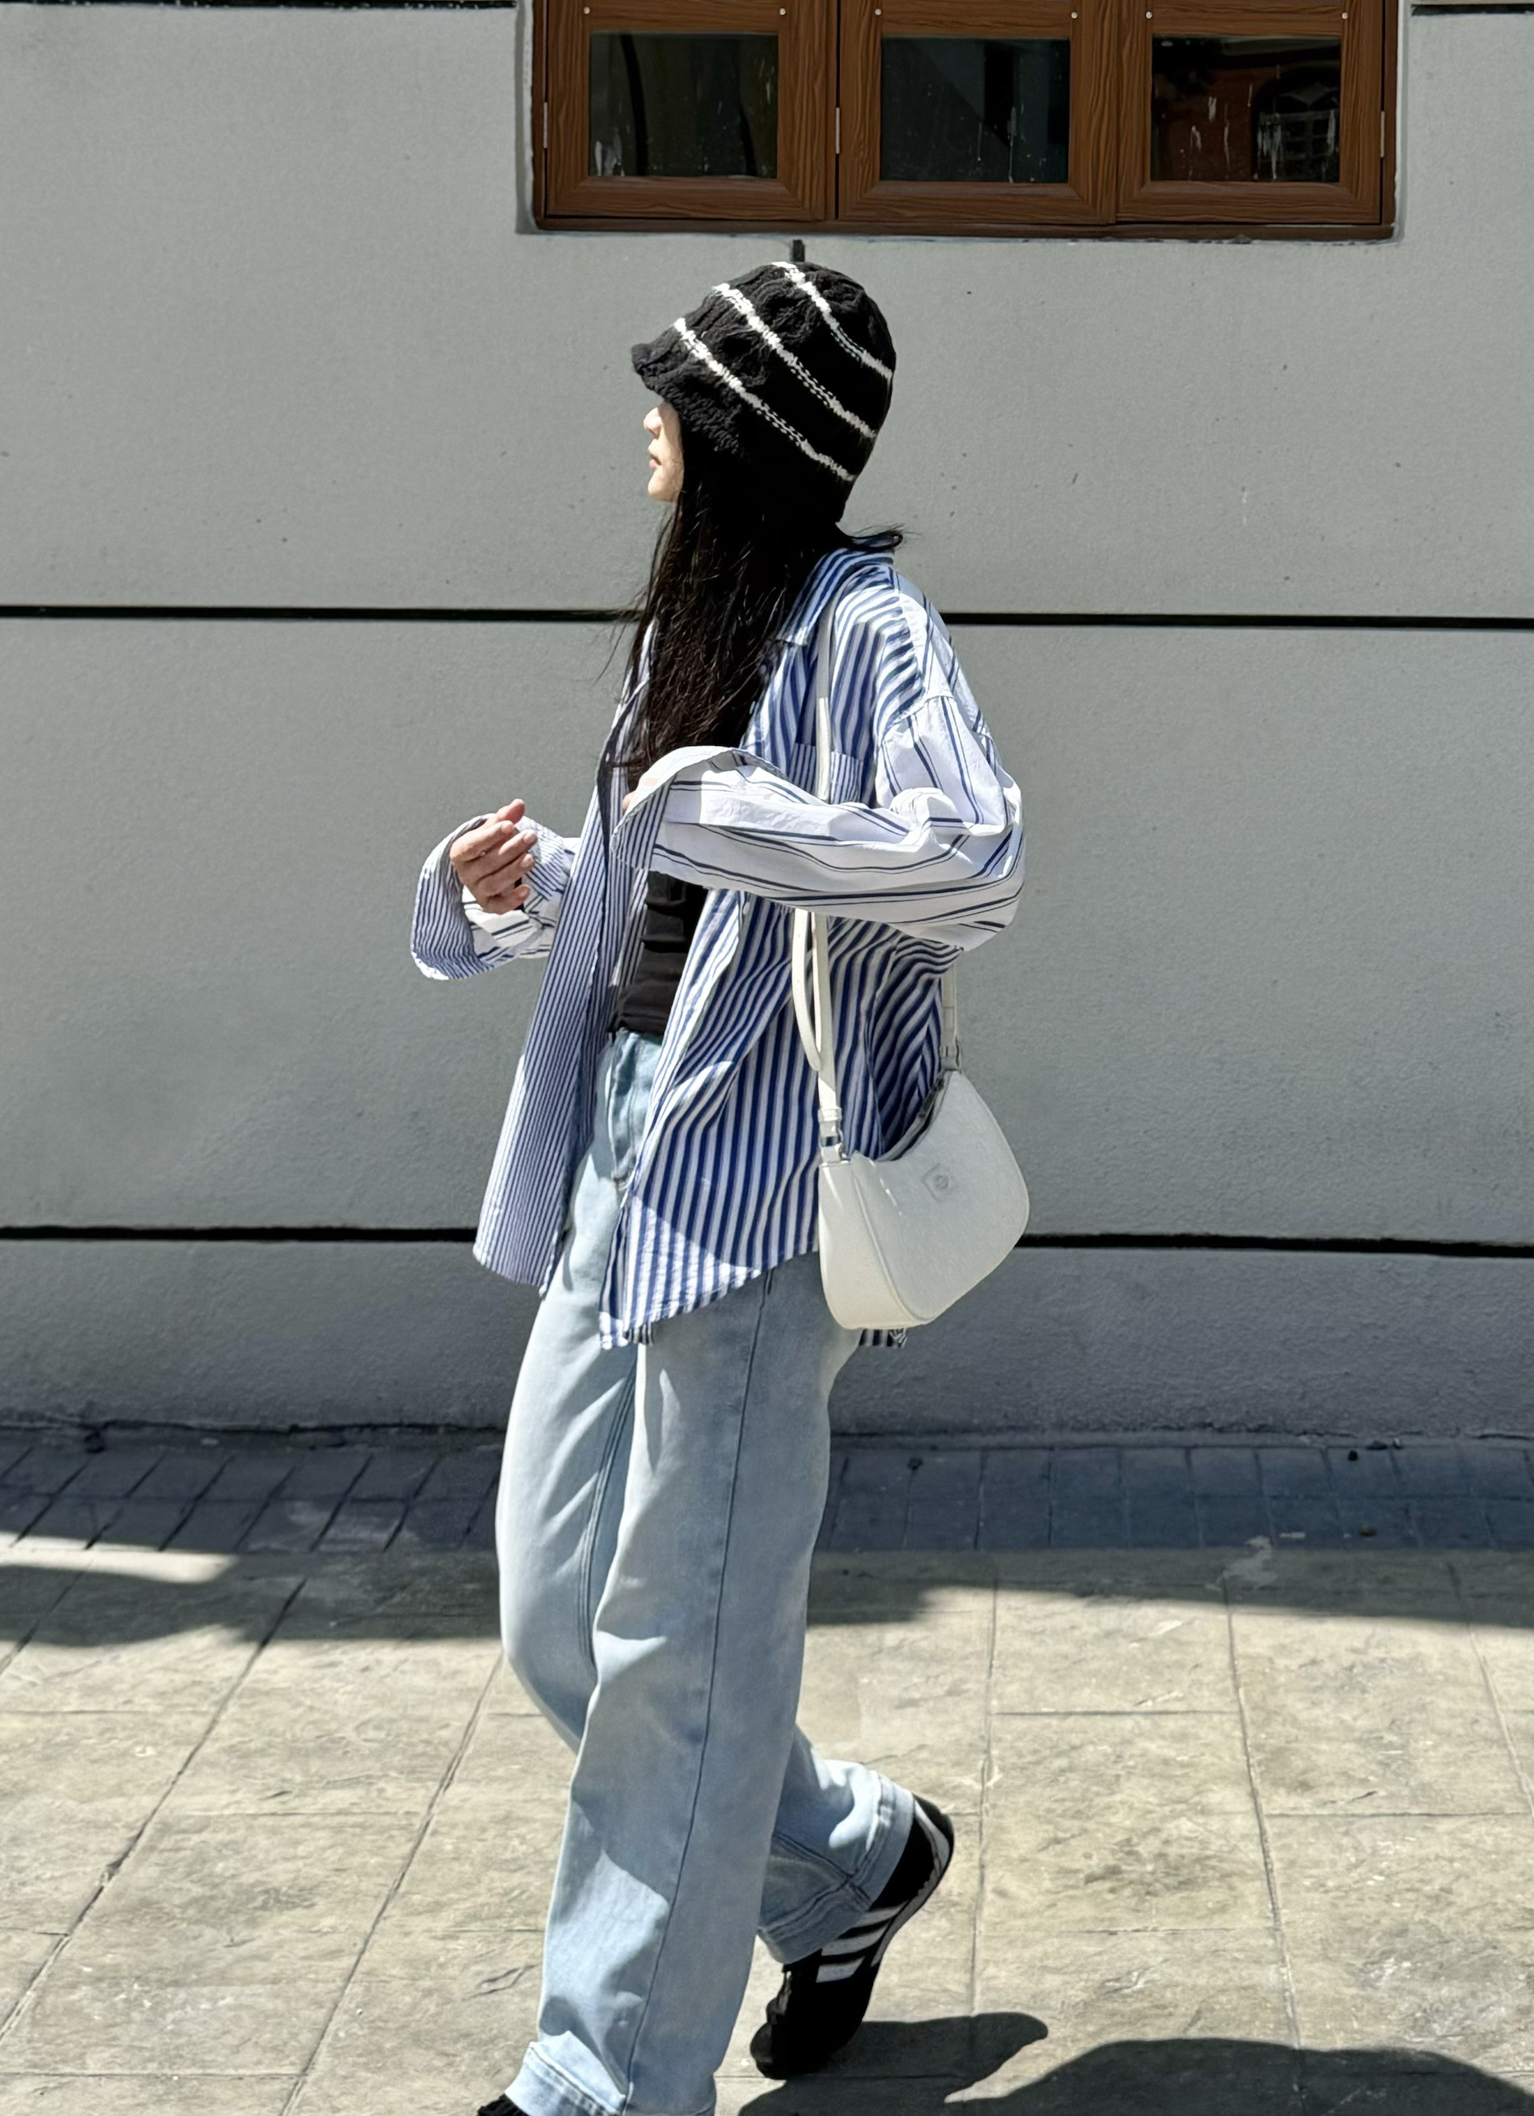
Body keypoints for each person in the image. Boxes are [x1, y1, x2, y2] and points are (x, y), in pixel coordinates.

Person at [409, 257, 1025, 2116]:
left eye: (673, 398)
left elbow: (972, 860)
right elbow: (669, 915)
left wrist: (724, 813)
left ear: (746, 429)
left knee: (675, 1661)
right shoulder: (702, 627)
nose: (648, 425)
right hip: (621, 1152)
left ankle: (604, 2078)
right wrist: (516, 889)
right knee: (554, 1620)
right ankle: (849, 1860)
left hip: (758, 1210)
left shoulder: (867, 626)